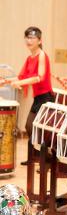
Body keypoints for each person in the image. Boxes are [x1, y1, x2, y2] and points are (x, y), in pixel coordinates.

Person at [0, 27, 54, 167]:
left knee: (33, 127)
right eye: (27, 37)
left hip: (46, 98)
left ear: (40, 40)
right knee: (29, 126)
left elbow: (40, 77)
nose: (29, 40)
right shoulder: (30, 58)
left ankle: (47, 158)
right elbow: (21, 76)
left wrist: (18, 82)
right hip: (38, 97)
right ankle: (36, 157)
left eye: (32, 38)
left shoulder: (42, 55)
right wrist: (6, 81)